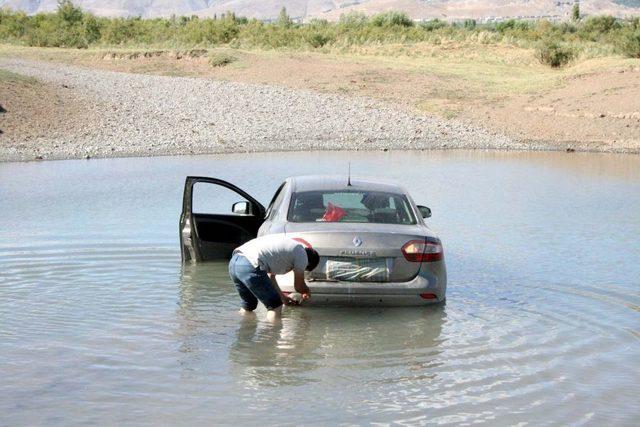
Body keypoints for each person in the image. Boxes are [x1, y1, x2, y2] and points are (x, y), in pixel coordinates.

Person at [228, 234, 320, 320]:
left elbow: (271, 278)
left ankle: (243, 331)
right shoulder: (302, 254)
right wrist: (306, 291)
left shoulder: (285, 251)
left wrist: (283, 298)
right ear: (308, 263)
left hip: (234, 262)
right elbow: (299, 286)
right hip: (250, 264)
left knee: (249, 305)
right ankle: (271, 336)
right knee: (275, 306)